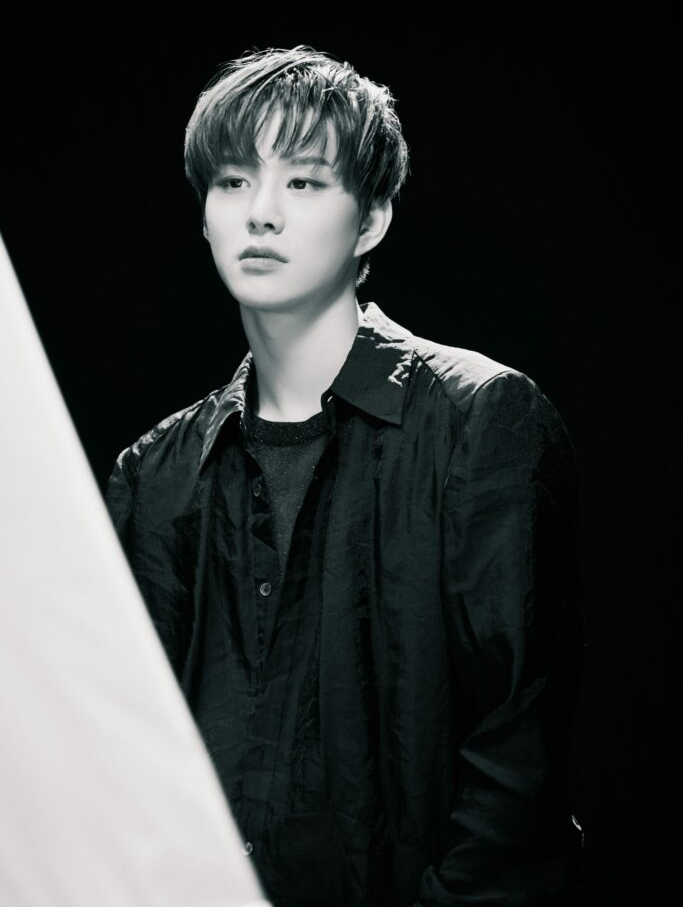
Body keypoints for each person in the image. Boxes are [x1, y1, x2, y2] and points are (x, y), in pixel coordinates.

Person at [105, 45, 583, 907]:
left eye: (303, 182)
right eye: (232, 181)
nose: (260, 214)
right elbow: (122, 761)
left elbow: (520, 763)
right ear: (204, 216)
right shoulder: (155, 474)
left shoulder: (480, 420)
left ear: (370, 220)